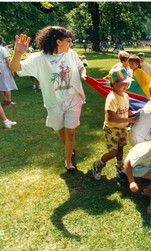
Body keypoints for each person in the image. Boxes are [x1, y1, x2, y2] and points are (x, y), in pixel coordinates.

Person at [10, 26, 87, 173]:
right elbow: (15, 68)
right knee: (61, 130)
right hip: (54, 102)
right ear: (58, 41)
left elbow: (80, 66)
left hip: (73, 98)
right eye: (68, 40)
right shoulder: (39, 58)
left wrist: (83, 74)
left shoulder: (70, 54)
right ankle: (69, 149)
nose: (71, 44)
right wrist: (17, 53)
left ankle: (68, 161)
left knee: (71, 132)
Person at [92, 67, 140, 181]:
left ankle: (119, 165)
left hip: (122, 128)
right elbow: (111, 116)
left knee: (121, 148)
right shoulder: (112, 98)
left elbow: (125, 110)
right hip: (112, 128)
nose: (126, 85)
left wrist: (137, 114)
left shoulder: (125, 95)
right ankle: (98, 164)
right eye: (123, 83)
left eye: (127, 83)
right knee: (113, 152)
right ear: (113, 83)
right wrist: (130, 120)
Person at [0, 35, 18, 106]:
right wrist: (12, 70)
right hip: (3, 67)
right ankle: (9, 101)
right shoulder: (3, 49)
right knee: (7, 84)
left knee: (1, 84)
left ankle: (5, 100)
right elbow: (7, 61)